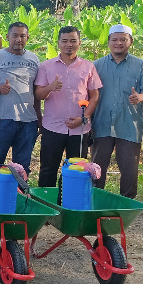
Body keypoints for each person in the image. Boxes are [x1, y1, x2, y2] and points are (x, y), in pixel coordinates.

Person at [90, 25, 143, 199]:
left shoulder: (142, 66)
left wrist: (140, 97)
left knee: (129, 167)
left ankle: (127, 203)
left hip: (129, 124)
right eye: (114, 39)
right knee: (97, 167)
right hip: (101, 124)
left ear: (130, 42)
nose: (118, 43)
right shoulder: (96, 66)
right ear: (108, 42)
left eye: (123, 39)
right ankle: (95, 200)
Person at [34, 26, 102, 187]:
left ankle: (70, 203)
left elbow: (94, 96)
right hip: (53, 127)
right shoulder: (46, 66)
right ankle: (47, 204)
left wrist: (84, 118)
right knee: (48, 169)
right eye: (64, 41)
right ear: (58, 43)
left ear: (79, 43)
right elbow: (38, 95)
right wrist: (50, 87)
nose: (68, 45)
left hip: (80, 129)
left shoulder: (88, 66)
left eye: (73, 41)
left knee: (76, 170)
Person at [0, 22, 41, 174]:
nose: (18, 39)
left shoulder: (34, 59)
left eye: (22, 36)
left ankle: (20, 195)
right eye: (15, 35)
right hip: (2, 118)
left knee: (22, 167)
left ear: (27, 37)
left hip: (28, 120)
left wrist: (39, 118)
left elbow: (36, 90)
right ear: (8, 37)